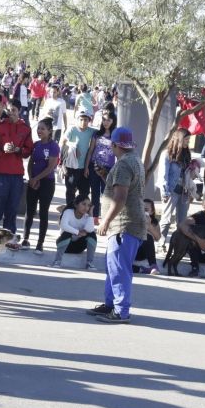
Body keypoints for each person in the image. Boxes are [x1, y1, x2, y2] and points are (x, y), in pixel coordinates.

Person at [85, 127, 145, 323]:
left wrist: (105, 221)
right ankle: (111, 304)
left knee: (119, 269)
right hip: (129, 224)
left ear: (114, 145)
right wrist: (106, 176)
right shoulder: (135, 160)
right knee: (114, 267)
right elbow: (123, 188)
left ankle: (121, 310)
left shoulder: (123, 165)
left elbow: (120, 198)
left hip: (123, 225)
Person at [0, 99, 34, 247]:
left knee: (12, 209)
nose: (11, 112)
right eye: (9, 110)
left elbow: (29, 151)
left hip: (16, 174)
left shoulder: (25, 129)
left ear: (19, 110)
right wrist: (2, 149)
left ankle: (9, 241)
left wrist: (19, 150)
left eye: (14, 110)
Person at [21, 118, 60, 255]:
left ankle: (40, 243)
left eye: (43, 129)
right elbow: (30, 163)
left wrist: (37, 179)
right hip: (33, 182)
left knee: (43, 212)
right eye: (38, 128)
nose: (39, 131)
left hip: (47, 183)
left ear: (49, 131)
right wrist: (31, 178)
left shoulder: (53, 146)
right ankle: (25, 239)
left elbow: (50, 167)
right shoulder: (36, 145)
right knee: (30, 211)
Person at [159, 128, 192, 246]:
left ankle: (179, 245)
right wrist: (165, 192)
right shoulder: (167, 154)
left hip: (184, 191)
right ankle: (161, 242)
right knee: (166, 218)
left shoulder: (186, 154)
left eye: (189, 140)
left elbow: (187, 174)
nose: (188, 142)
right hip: (171, 190)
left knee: (182, 221)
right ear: (179, 139)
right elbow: (163, 175)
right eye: (186, 139)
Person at [61, 109, 97, 206]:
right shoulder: (72, 129)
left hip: (84, 167)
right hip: (71, 167)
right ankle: (70, 209)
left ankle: (81, 211)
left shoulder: (91, 131)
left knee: (84, 192)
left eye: (86, 120)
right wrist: (73, 147)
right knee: (70, 191)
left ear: (89, 121)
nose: (83, 122)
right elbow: (63, 143)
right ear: (77, 119)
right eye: (81, 119)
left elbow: (101, 133)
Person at [51, 195, 97, 269]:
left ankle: (89, 263)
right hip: (66, 245)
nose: (86, 208)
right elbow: (63, 225)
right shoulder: (68, 212)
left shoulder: (87, 216)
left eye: (88, 205)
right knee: (67, 233)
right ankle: (57, 261)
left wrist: (91, 214)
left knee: (92, 234)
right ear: (76, 204)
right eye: (83, 204)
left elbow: (90, 230)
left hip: (78, 247)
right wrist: (78, 232)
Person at [89, 110, 116, 224]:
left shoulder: (115, 135)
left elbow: (118, 153)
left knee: (106, 193)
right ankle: (94, 217)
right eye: (104, 120)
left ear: (113, 121)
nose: (106, 122)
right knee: (94, 192)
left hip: (109, 169)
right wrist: (86, 167)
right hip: (94, 166)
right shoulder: (96, 134)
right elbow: (91, 150)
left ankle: (105, 217)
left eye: (108, 120)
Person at [133, 199, 161, 275]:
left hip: (143, 252)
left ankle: (153, 265)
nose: (143, 211)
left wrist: (149, 226)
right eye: (141, 208)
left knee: (148, 237)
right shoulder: (133, 219)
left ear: (151, 212)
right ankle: (139, 269)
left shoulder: (154, 222)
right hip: (132, 250)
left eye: (146, 210)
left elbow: (158, 238)